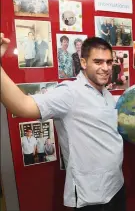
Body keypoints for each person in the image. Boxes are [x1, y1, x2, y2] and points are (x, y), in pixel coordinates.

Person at [1, 34, 126, 211]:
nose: (105, 68)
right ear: (83, 63)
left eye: (109, 62)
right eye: (98, 62)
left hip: (116, 186)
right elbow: (22, 106)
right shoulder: (70, 92)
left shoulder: (105, 93)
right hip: (91, 197)